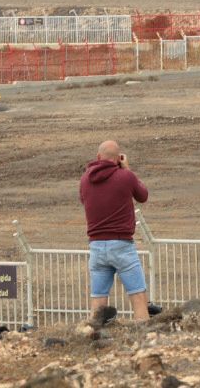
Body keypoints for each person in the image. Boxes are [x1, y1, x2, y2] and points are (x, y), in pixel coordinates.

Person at [79, 140, 151, 327]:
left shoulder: (85, 178)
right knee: (137, 294)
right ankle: (143, 332)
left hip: (96, 246)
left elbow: (83, 200)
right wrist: (127, 169)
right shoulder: (124, 176)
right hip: (121, 245)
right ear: (118, 159)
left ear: (98, 157)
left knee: (98, 298)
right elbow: (143, 195)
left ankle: (94, 335)